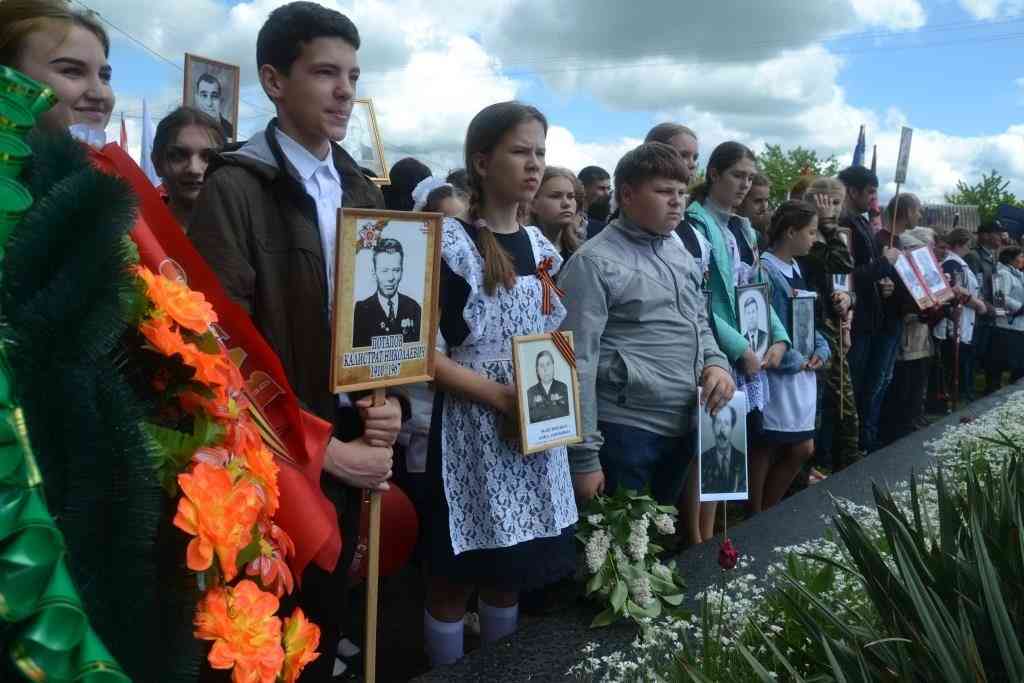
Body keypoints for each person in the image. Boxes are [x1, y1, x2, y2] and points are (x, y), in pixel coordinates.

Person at [188, 4, 403, 678]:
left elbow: (385, 324)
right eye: (325, 73)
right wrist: (323, 452)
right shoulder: (236, 188)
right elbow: (219, 351)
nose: (345, 90)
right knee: (275, 642)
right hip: (280, 463)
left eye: (354, 75)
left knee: (330, 622)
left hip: (352, 445)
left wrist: (387, 398)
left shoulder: (364, 188)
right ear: (275, 81)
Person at [422, 101, 578, 668]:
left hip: (530, 429)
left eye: (540, 152)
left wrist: (550, 405)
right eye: (520, 151)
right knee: (455, 576)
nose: (534, 164)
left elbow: (552, 342)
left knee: (509, 575)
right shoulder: (451, 246)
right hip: (473, 427)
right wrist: (501, 397)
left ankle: (500, 669)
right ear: (483, 162)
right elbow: (424, 357)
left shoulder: (542, 250)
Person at [559, 141, 735, 509]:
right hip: (625, 431)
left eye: (682, 192)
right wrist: (584, 457)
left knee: (659, 548)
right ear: (627, 194)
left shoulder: (677, 249)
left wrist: (716, 361)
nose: (677, 201)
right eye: (663, 191)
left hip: (683, 423)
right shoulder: (593, 263)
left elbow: (699, 319)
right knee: (620, 555)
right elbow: (576, 363)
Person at [683, 141, 789, 539]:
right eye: (737, 176)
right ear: (714, 174)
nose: (745, 185)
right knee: (708, 450)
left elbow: (756, 289)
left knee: (725, 447)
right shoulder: (697, 224)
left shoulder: (741, 227)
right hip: (717, 349)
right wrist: (739, 348)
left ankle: (714, 533)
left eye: (749, 177)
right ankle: (698, 539)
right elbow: (705, 302)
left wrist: (778, 337)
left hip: (748, 350)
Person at [755, 201, 831, 513]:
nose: (814, 239)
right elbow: (761, 323)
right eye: (810, 232)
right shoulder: (764, 268)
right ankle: (755, 514)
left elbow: (808, 320)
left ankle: (767, 509)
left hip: (803, 372)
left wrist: (821, 348)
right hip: (780, 373)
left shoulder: (797, 267)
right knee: (769, 444)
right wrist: (790, 359)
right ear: (790, 231)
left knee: (802, 446)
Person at [838, 165, 900, 453]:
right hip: (856, 320)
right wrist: (884, 264)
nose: (874, 200)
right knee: (854, 386)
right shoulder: (843, 224)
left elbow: (870, 276)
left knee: (867, 385)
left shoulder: (861, 222)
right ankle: (850, 445)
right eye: (871, 192)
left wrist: (883, 283)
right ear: (853, 190)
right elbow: (848, 276)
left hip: (871, 317)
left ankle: (861, 440)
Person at [798, 176, 857, 473]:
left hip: (834, 325)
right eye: (826, 203)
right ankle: (812, 467)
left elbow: (846, 276)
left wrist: (848, 299)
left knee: (844, 404)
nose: (832, 209)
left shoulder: (834, 236)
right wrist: (827, 225)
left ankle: (845, 461)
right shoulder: (809, 236)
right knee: (819, 403)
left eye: (837, 203)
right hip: (811, 327)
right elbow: (840, 262)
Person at [934, 228, 989, 409]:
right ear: (960, 244)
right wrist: (978, 304)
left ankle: (959, 399)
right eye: (968, 245)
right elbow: (954, 291)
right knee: (953, 368)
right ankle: (951, 403)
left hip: (965, 321)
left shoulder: (959, 262)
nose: (969, 249)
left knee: (961, 365)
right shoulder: (952, 263)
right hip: (955, 324)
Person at [150, 106, 225, 228]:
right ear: (157, 163)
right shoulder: (129, 235)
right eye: (178, 156)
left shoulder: (245, 233)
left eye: (209, 157)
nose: (194, 169)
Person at [352, 237, 422, 347]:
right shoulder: (362, 310)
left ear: (402, 271)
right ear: (374, 272)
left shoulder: (414, 308)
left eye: (396, 270)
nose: (391, 278)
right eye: (384, 271)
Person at [964, 220, 1007, 396]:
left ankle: (977, 391)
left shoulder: (991, 256)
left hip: (990, 315)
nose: (1001, 237)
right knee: (973, 356)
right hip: (978, 316)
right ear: (986, 235)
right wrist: (989, 307)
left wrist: (999, 308)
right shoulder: (974, 256)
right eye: (998, 233)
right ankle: (967, 393)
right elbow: (974, 288)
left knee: (986, 355)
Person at [989, 245, 1024, 386]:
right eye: (1021, 256)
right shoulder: (1002, 273)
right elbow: (1000, 297)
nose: (1023, 259)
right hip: (1007, 326)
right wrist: (1020, 307)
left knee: (1020, 366)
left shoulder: (1018, 274)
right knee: (1004, 364)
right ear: (1011, 258)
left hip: (1019, 325)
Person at [531, 166, 582, 261]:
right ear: (533, 204)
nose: (566, 203)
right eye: (555, 196)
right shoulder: (523, 250)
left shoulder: (580, 251)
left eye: (571, 196)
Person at [700, 404, 746, 494]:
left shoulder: (742, 459)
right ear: (712, 426)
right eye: (718, 422)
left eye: (726, 423)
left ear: (732, 428)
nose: (722, 430)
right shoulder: (703, 460)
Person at [527, 350, 570, 423]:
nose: (545, 369)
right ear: (537, 370)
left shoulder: (563, 388)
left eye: (548, 364)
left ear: (553, 366)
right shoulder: (530, 392)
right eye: (541, 366)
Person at [193, 71, 234, 139]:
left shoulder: (230, 130)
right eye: (204, 95)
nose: (209, 103)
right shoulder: (189, 127)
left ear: (220, 100)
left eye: (214, 96)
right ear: (197, 98)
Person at [737, 172, 771, 248]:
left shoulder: (757, 234)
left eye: (766, 200)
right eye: (758, 201)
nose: (764, 207)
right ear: (742, 199)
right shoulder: (731, 233)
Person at [739, 293, 769, 357]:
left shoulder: (765, 336)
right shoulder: (742, 340)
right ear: (745, 316)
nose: (751, 316)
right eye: (748, 313)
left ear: (757, 313)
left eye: (753, 312)